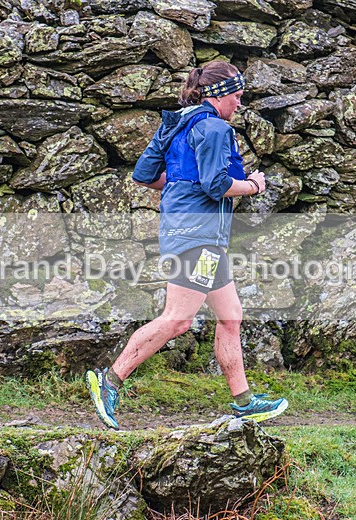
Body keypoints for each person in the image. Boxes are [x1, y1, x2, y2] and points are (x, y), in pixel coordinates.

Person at [85, 61, 289, 430]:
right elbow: (217, 186)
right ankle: (109, 381)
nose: (239, 105)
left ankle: (244, 402)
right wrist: (255, 185)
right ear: (220, 94)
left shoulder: (176, 122)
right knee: (178, 319)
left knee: (231, 316)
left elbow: (145, 175)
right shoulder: (213, 128)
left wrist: (183, 185)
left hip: (191, 232)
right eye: (238, 97)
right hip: (199, 237)